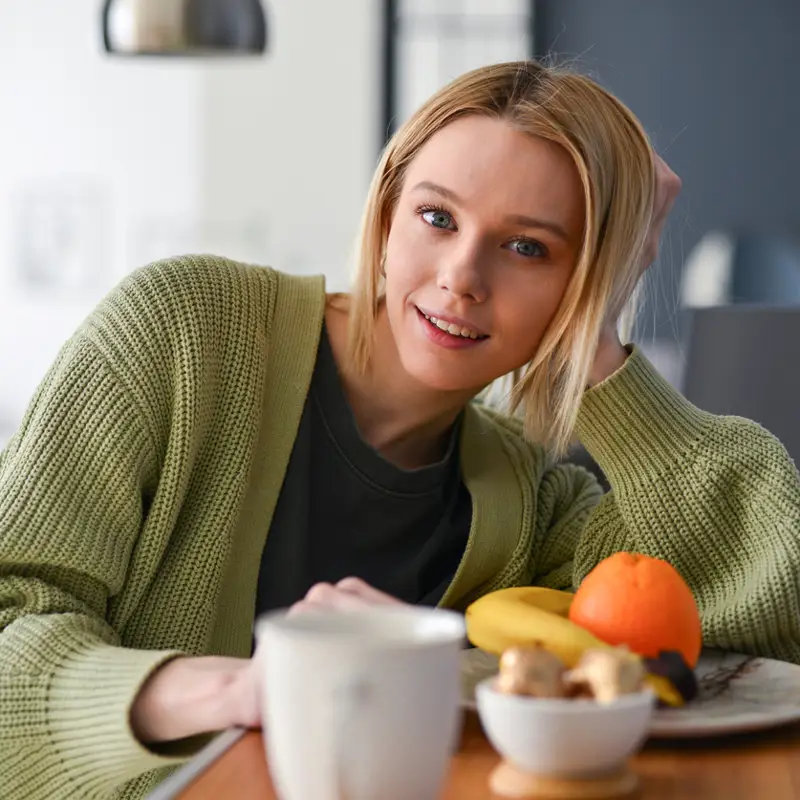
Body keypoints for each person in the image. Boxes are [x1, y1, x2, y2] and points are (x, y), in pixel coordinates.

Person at [1, 59, 799, 799]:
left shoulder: (530, 498)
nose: (461, 278)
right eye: (436, 216)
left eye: (529, 247)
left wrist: (598, 345)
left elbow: (763, 623)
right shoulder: (181, 334)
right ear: (385, 215)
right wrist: (237, 689)